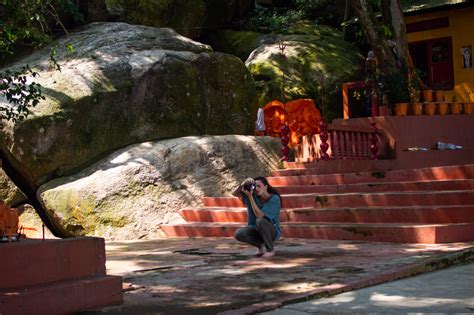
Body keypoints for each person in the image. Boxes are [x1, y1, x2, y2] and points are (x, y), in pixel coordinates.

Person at [232, 176, 281, 258]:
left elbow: (260, 215)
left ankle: (270, 250)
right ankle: (260, 247)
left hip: (272, 231)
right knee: (239, 233)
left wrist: (250, 197)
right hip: (255, 229)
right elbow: (234, 193)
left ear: (265, 187)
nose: (257, 189)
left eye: (259, 186)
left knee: (260, 220)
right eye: (255, 186)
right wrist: (244, 183)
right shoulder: (252, 194)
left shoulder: (274, 199)